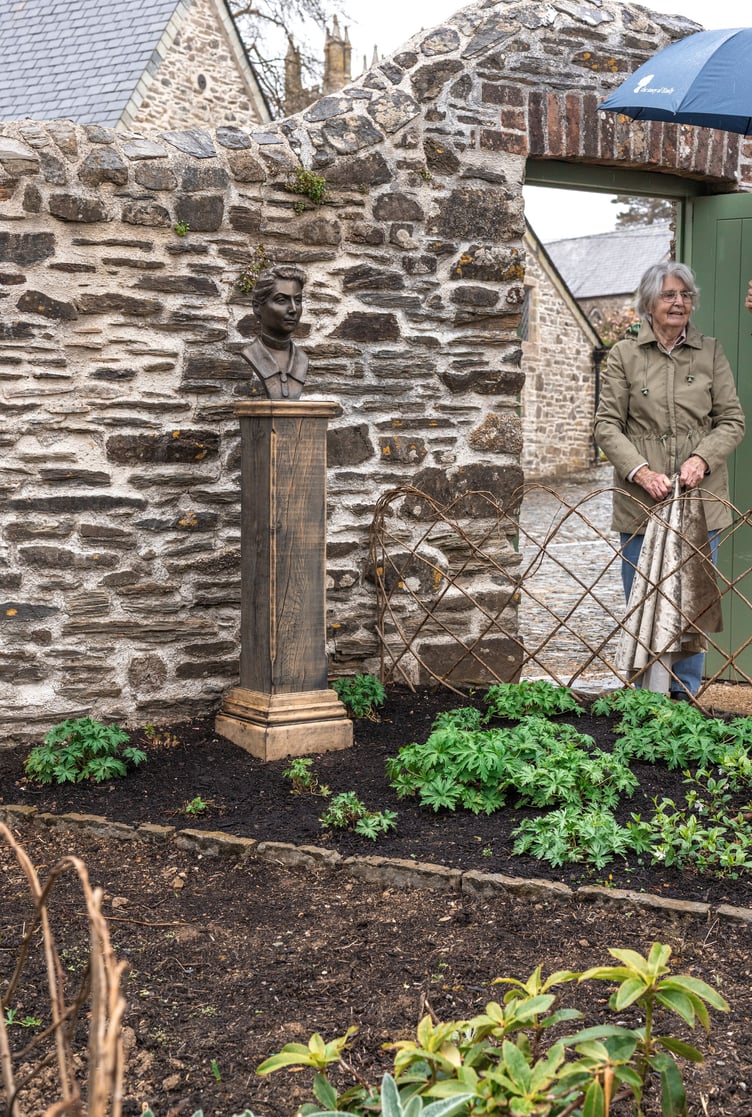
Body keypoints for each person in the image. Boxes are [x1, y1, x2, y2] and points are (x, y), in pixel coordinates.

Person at [594, 261, 745, 698]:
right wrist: (640, 470)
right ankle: (646, 694)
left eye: (685, 295)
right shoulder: (624, 355)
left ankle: (685, 693)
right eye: (669, 295)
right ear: (649, 303)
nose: (679, 302)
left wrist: (701, 458)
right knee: (642, 600)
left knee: (692, 600)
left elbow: (731, 421)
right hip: (642, 500)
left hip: (700, 498)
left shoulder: (710, 352)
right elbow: (606, 426)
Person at [241, 264, 308, 399]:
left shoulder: (302, 360)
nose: (293, 309)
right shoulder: (251, 355)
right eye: (282, 300)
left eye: (298, 300)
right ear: (257, 307)